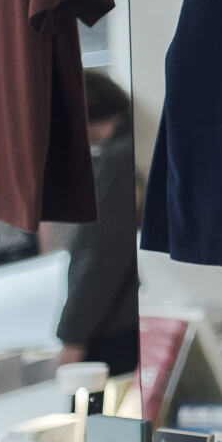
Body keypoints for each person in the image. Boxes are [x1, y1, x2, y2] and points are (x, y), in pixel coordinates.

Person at [45, 72, 140, 373]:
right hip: (120, 321)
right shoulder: (130, 149)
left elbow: (102, 255)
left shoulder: (118, 160)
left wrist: (72, 340)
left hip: (111, 330)